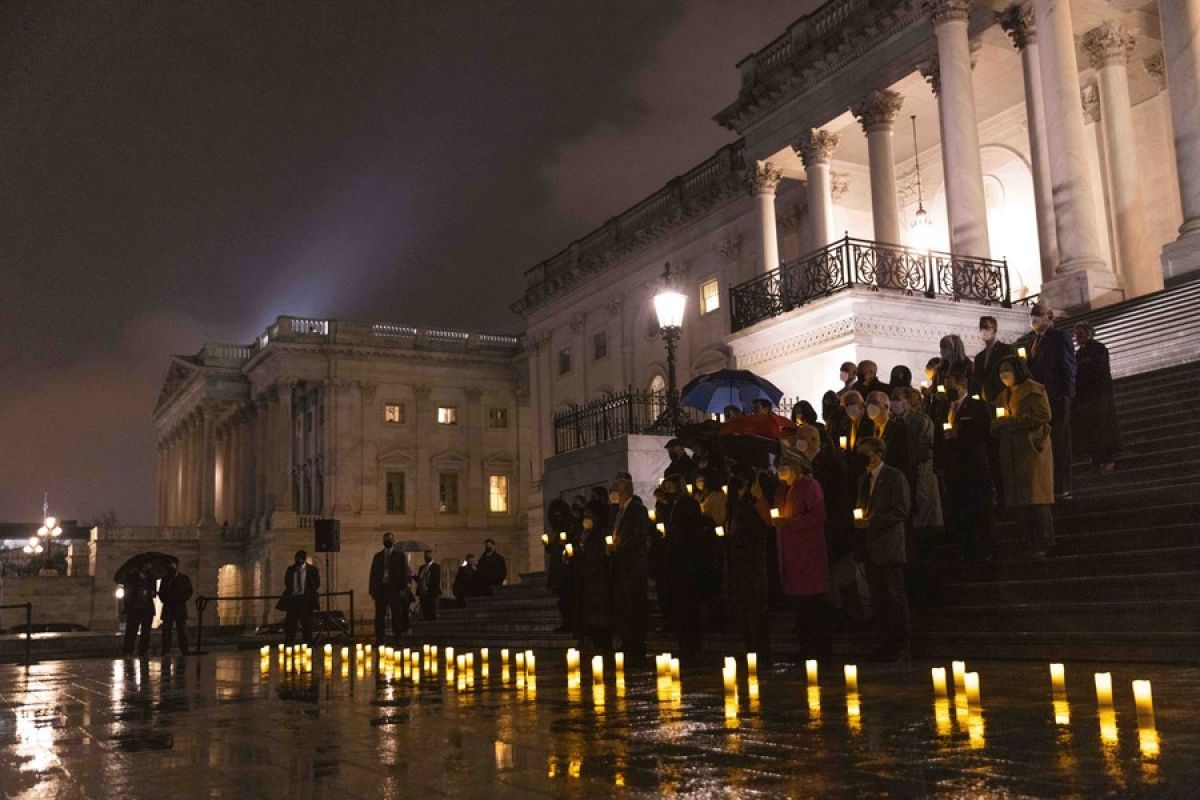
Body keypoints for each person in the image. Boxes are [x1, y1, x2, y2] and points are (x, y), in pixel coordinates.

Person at [853, 436, 912, 661]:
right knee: (878, 596)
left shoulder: (894, 476)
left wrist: (873, 521)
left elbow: (901, 510)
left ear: (877, 453)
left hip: (888, 545)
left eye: (866, 453)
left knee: (893, 595)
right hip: (870, 546)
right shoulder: (863, 480)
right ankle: (885, 642)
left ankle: (901, 644)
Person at [993, 354, 1057, 558]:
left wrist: (1012, 421)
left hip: (1031, 449)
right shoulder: (1002, 396)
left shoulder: (1033, 389)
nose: (1004, 374)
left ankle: (1043, 541)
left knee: (1036, 498)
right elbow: (998, 421)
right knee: (1021, 500)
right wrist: (996, 425)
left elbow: (1044, 415)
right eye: (1001, 370)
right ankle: (1027, 541)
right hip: (1012, 451)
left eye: (1007, 369)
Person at [775, 456, 832, 662]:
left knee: (813, 604)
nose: (780, 469)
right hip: (790, 553)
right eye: (779, 466)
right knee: (800, 606)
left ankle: (821, 649)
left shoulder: (809, 486)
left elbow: (818, 516)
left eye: (785, 465)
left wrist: (791, 523)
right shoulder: (781, 490)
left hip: (808, 552)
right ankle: (806, 647)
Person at [939, 360, 995, 560]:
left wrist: (959, 432)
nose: (947, 390)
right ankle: (966, 548)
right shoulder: (944, 408)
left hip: (974, 463)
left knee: (979, 507)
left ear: (961, 386)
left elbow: (985, 430)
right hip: (954, 466)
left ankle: (985, 548)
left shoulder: (977, 406)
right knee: (960, 509)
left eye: (951, 386)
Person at [1025, 302, 1076, 498]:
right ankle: (1050, 484)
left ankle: (1063, 486)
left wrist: (1067, 395)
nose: (1034, 318)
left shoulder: (1059, 337)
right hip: (1040, 401)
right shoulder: (1034, 341)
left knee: (1060, 442)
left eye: (1038, 314)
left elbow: (1068, 366)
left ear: (1049, 316)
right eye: (1032, 314)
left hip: (1056, 397)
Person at [892, 387, 942, 569]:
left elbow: (925, 447)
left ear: (908, 400)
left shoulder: (921, 421)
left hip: (919, 471)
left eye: (898, 399)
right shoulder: (893, 422)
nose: (894, 403)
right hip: (903, 472)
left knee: (922, 509)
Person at [726, 473, 772, 658]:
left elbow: (758, 532)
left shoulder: (750, 509)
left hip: (750, 564)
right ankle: (753, 648)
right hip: (742, 564)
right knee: (745, 608)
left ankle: (758, 650)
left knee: (754, 608)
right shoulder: (739, 508)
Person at [662, 474, 707, 660]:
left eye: (671, 488)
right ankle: (687, 645)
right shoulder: (675, 506)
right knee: (682, 607)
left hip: (686, 562)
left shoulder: (687, 505)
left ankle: (691, 646)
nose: (668, 491)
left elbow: (686, 532)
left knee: (687, 607)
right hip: (679, 561)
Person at [608, 472, 651, 665]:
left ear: (624, 491)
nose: (613, 494)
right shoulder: (618, 511)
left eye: (616, 490)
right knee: (623, 604)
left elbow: (639, 536)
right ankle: (627, 639)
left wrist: (621, 545)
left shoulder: (637, 510)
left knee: (635, 604)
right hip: (620, 565)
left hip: (633, 566)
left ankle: (637, 642)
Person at [1072, 322, 1119, 474]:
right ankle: (1096, 458)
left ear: (1089, 333)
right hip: (1086, 397)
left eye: (1081, 334)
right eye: (1076, 335)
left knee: (1102, 427)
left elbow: (1100, 370)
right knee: (1091, 428)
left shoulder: (1098, 348)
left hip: (1098, 395)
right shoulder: (1078, 354)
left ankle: (1107, 459)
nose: (1078, 337)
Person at [574, 505, 613, 652]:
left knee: (597, 611)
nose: (585, 520)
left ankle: (600, 642)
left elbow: (597, 556)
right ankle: (589, 639)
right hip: (586, 577)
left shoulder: (597, 535)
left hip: (596, 578)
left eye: (588, 518)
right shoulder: (583, 535)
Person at [369, 532, 411, 644]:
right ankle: (380, 639)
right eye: (386, 539)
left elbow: (404, 573)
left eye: (389, 539)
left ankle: (397, 639)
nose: (387, 541)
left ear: (393, 541)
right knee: (379, 617)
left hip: (395, 590)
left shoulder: (400, 555)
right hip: (381, 590)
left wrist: (403, 589)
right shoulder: (378, 556)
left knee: (396, 615)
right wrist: (372, 590)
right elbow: (373, 574)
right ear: (383, 541)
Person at [279, 550, 320, 647]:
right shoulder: (291, 569)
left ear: (304, 559)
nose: (298, 560)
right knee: (291, 623)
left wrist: (310, 594)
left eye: (300, 559)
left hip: (305, 600)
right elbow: (287, 582)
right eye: (297, 558)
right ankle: (289, 642)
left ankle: (308, 642)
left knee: (306, 623)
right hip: (293, 599)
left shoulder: (312, 570)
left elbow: (316, 583)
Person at [972, 315, 1016, 402]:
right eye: (981, 327)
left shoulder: (1006, 350)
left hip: (1002, 398)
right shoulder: (979, 357)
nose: (983, 330)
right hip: (984, 401)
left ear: (994, 330)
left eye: (987, 327)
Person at [866, 390, 910, 473]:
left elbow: (904, 460)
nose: (870, 406)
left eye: (874, 403)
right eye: (868, 403)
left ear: (886, 406)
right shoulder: (867, 431)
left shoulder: (899, 430)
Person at [157, 559, 192, 656]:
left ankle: (184, 649)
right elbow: (161, 593)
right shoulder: (165, 579)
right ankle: (166, 649)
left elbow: (189, 592)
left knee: (182, 630)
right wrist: (166, 600)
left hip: (179, 607)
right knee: (167, 631)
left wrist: (181, 599)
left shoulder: (184, 578)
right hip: (168, 607)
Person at [122, 562, 155, 656]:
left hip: (147, 608)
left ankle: (143, 650)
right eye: (147, 564)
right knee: (132, 631)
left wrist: (152, 592)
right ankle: (128, 650)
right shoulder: (131, 577)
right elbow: (128, 592)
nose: (149, 566)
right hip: (135, 607)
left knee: (146, 632)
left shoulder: (150, 577)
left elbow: (153, 591)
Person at [416, 550, 442, 621]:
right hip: (423, 593)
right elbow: (420, 579)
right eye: (426, 555)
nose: (427, 557)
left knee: (432, 611)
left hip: (431, 593)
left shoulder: (436, 567)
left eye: (428, 555)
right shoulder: (421, 568)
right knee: (425, 611)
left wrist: (428, 588)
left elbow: (436, 580)